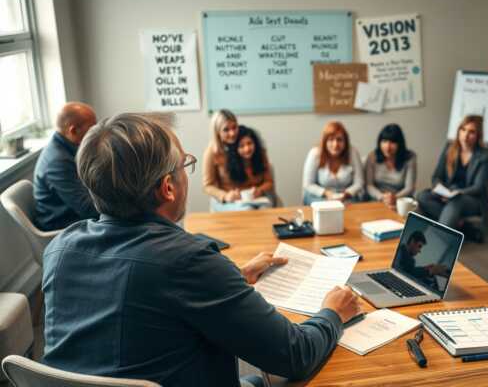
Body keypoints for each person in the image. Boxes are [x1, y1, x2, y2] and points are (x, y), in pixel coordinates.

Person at [42, 114, 361, 387]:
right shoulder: (186, 260)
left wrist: (234, 276)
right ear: (168, 187)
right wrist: (332, 312)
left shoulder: (60, 249)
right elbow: (295, 355)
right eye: (185, 165)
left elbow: (142, 300)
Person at [417, 115, 488, 241]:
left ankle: (438, 241)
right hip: (448, 192)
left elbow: (478, 188)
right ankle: (461, 226)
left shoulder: (485, 155)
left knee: (456, 201)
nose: (465, 135)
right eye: (463, 129)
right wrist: (442, 190)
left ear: (478, 135)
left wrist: (455, 193)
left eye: (471, 132)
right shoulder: (450, 147)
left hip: (471, 199)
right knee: (422, 196)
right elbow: (436, 176)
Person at [33, 102, 99, 231]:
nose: (95, 133)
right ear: (73, 131)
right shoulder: (58, 162)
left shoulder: (67, 147)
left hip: (72, 213)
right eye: (92, 129)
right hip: (62, 224)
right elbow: (86, 209)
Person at [210, 125, 275, 211]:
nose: (247, 149)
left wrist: (260, 190)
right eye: (241, 146)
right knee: (247, 210)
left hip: (257, 199)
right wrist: (229, 195)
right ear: (235, 149)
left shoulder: (261, 155)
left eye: (249, 143)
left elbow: (269, 182)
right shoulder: (226, 161)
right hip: (235, 200)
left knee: (265, 209)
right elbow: (214, 187)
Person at [302, 121, 364, 205]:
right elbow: (308, 184)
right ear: (325, 142)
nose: (335, 144)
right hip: (320, 196)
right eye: (331, 140)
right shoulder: (315, 153)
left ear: (345, 142)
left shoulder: (353, 152)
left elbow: (359, 182)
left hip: (346, 196)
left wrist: (346, 194)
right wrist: (327, 193)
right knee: (327, 207)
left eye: (339, 140)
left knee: (348, 206)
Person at [365, 124, 417, 208]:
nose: (387, 147)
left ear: (399, 143)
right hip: (377, 199)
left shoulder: (410, 157)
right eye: (384, 141)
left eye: (392, 142)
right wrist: (382, 197)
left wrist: (395, 197)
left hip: (401, 200)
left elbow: (410, 188)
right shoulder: (372, 156)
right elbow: (369, 185)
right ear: (379, 142)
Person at [202, 109, 245, 208]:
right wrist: (225, 196)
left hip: (245, 197)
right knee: (247, 210)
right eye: (226, 130)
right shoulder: (211, 152)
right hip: (226, 200)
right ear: (217, 132)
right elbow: (207, 186)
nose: (232, 133)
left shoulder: (242, 144)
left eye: (234, 127)